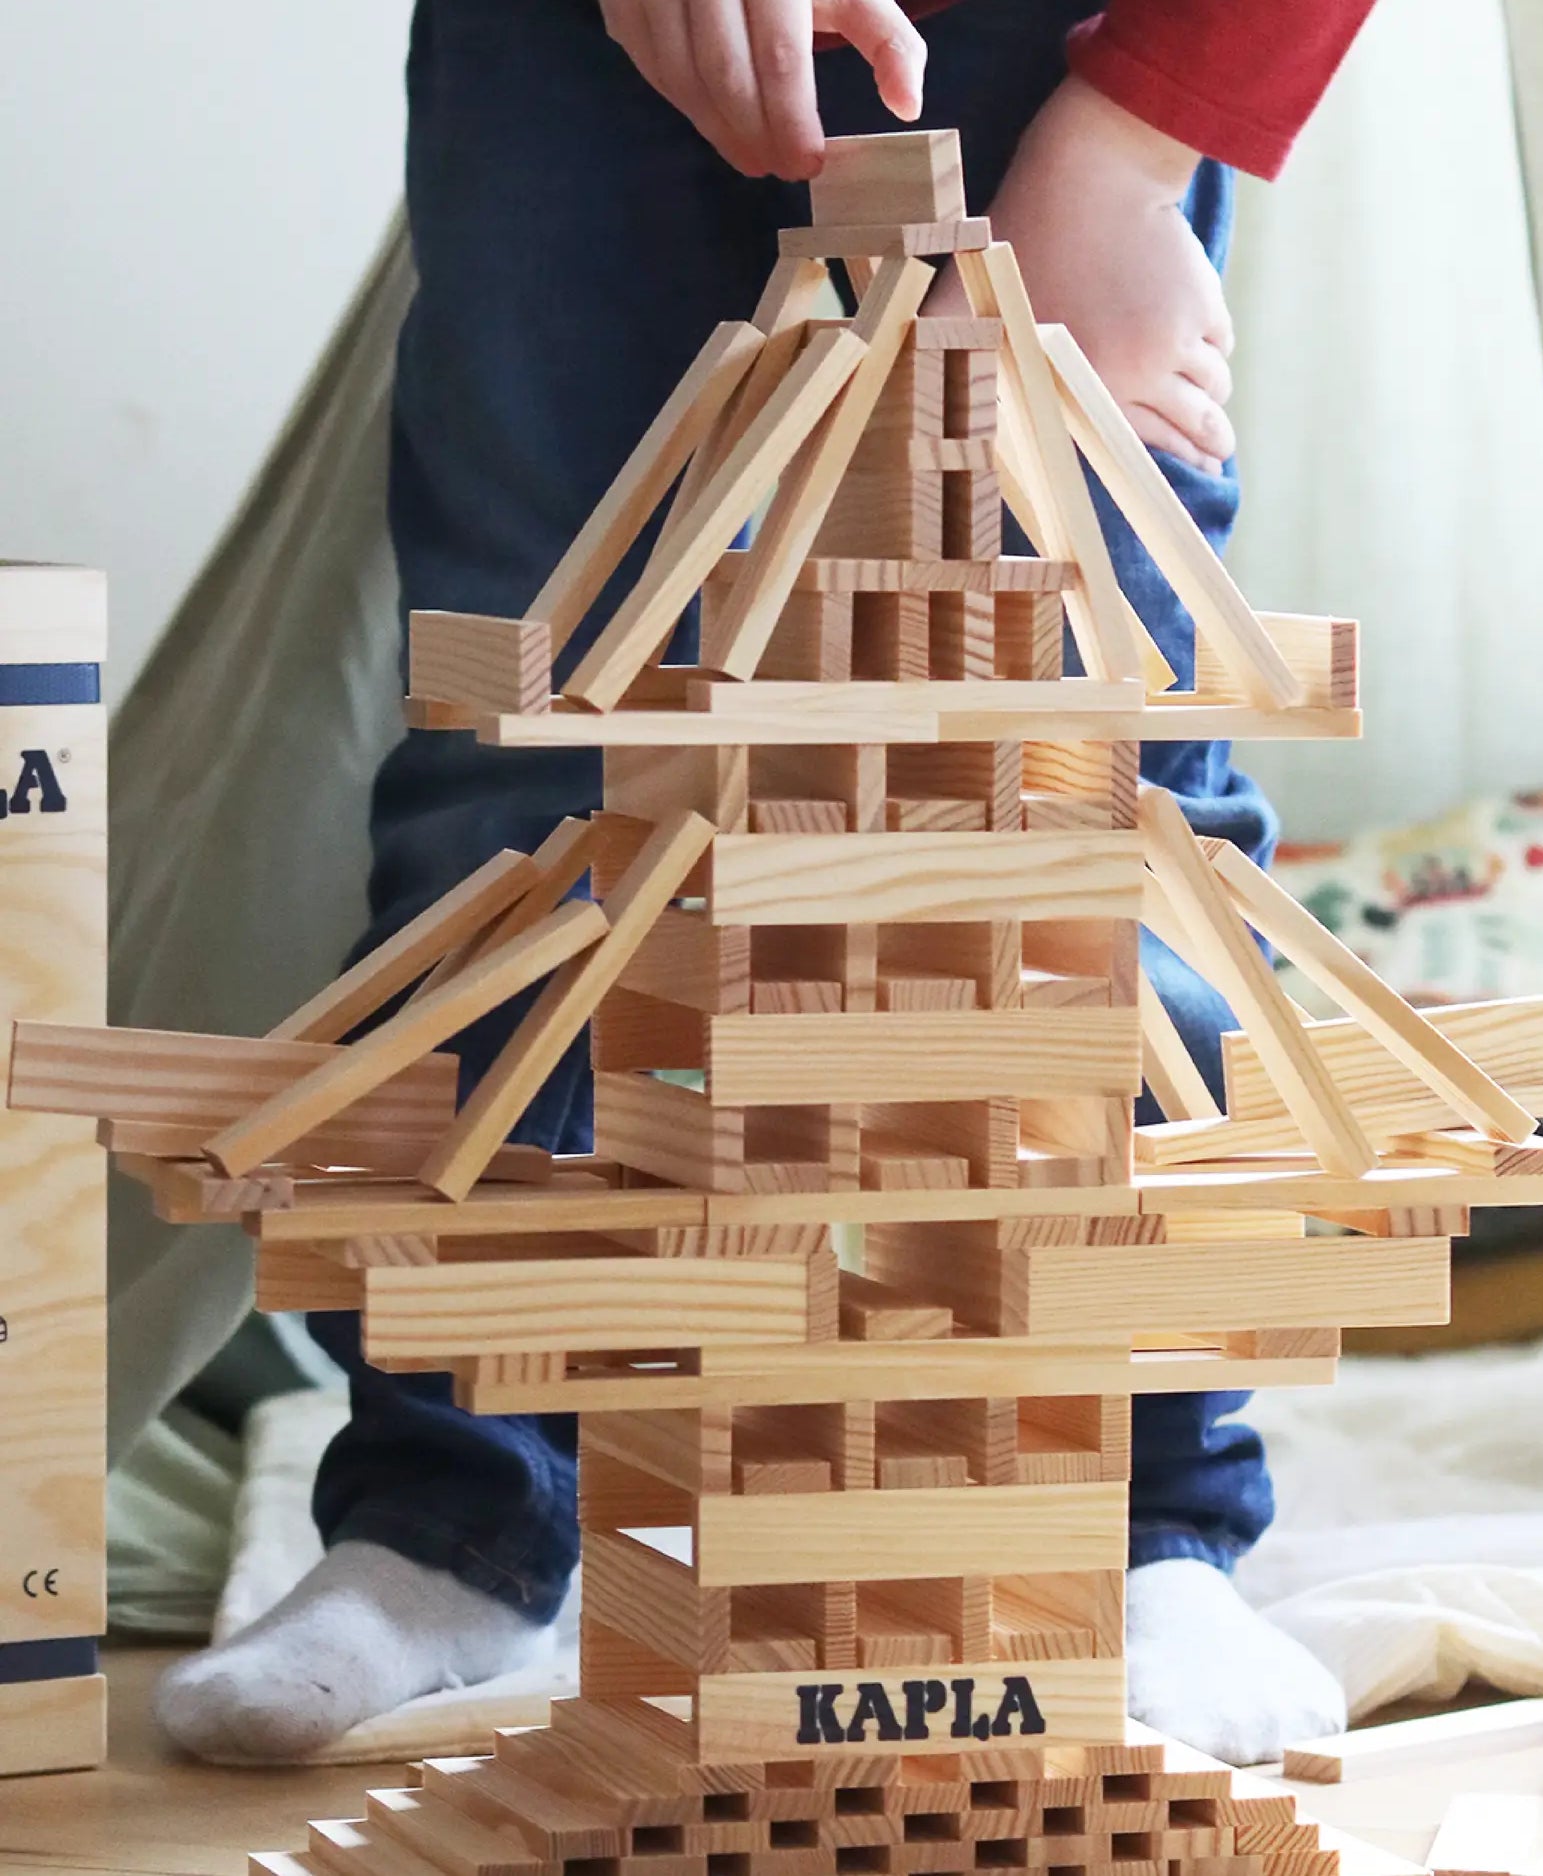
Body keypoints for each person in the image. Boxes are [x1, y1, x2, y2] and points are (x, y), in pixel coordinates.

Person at [157, 0, 1375, 1768]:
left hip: (1079, 43)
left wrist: (1132, 142)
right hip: (570, 48)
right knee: (529, 745)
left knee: (1086, 758)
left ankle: (1137, 1521)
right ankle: (453, 1516)